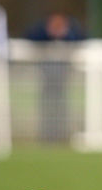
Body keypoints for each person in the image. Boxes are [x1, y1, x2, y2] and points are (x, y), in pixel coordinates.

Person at [25, 12, 87, 143]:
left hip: (63, 83)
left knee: (62, 109)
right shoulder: (41, 34)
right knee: (46, 110)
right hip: (46, 82)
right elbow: (30, 37)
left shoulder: (71, 34)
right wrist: (48, 32)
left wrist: (65, 33)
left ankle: (62, 135)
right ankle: (47, 136)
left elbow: (82, 39)